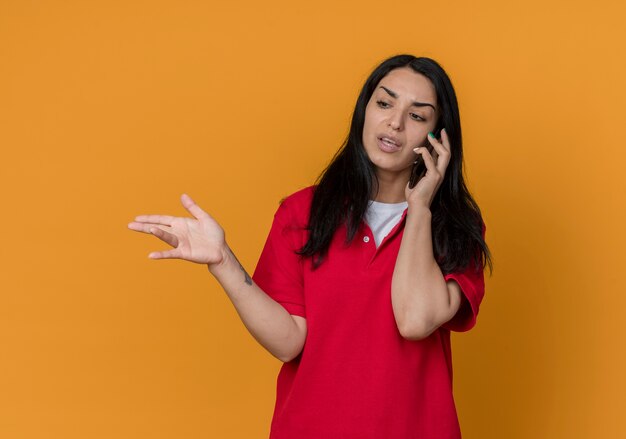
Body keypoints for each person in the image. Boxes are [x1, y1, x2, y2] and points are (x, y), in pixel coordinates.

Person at [128, 54, 492, 439]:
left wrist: (419, 208)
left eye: (418, 116)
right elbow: (289, 342)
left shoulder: (457, 228)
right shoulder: (302, 212)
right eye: (384, 103)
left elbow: (414, 320)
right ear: (364, 111)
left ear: (439, 137)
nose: (395, 123)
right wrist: (222, 262)